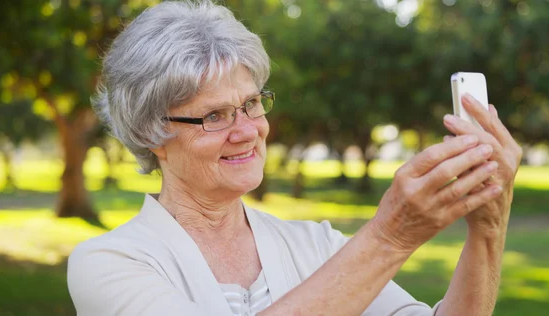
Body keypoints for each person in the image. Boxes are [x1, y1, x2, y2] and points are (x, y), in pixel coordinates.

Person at [67, 1, 522, 315]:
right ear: (153, 134)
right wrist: (390, 238)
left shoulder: (315, 245)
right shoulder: (109, 262)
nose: (248, 130)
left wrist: (488, 228)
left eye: (250, 103)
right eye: (214, 116)